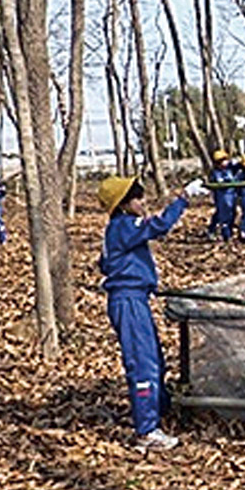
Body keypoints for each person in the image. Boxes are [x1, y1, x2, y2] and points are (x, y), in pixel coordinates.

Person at [98, 174, 206, 450]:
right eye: (137, 198)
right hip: (129, 302)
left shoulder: (117, 229)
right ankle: (146, 431)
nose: (142, 202)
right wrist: (183, 199)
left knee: (155, 357)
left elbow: (105, 263)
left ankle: (161, 411)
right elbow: (159, 225)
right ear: (123, 204)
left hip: (135, 299)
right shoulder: (124, 225)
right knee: (143, 363)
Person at [208, 149, 238, 241]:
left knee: (232, 213)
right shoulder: (215, 173)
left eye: (225, 160)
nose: (225, 163)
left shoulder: (231, 169)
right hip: (222, 197)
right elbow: (217, 182)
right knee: (223, 215)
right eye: (222, 161)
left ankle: (229, 230)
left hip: (231, 195)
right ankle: (225, 234)